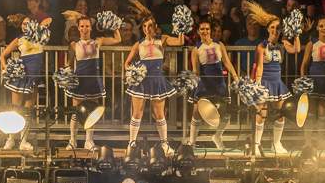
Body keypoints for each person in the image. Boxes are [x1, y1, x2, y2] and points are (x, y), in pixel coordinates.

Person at [244, 4, 302, 156]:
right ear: (268, 29)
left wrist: (296, 33)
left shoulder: (283, 45)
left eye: (278, 27)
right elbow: (260, 67)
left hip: (277, 84)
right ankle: (256, 145)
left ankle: (277, 143)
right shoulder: (262, 46)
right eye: (273, 27)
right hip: (264, 82)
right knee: (261, 115)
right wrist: (257, 85)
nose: (275, 30)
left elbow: (296, 49)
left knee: (281, 114)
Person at [124, 15, 184, 156]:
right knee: (137, 113)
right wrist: (132, 72)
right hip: (142, 82)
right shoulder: (138, 44)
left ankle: (164, 144)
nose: (147, 29)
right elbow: (126, 63)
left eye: (150, 26)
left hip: (157, 80)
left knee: (159, 114)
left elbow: (180, 42)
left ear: (155, 27)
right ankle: (131, 143)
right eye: (144, 26)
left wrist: (182, 27)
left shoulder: (162, 39)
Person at [63, 14, 120, 150]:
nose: (84, 29)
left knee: (92, 111)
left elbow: (118, 39)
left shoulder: (98, 41)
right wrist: (65, 76)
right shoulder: (73, 45)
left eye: (87, 26)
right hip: (79, 81)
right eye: (82, 26)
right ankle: (72, 141)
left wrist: (114, 25)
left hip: (93, 80)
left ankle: (89, 141)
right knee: (76, 112)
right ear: (78, 27)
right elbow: (69, 64)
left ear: (91, 27)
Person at [0, 16, 53, 152]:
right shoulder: (19, 39)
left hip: (34, 77)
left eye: (28, 23)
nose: (25, 26)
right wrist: (6, 69)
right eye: (23, 24)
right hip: (21, 77)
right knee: (15, 109)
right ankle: (11, 139)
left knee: (28, 111)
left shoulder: (41, 37)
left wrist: (40, 25)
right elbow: (3, 55)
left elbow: (49, 19)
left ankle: (23, 141)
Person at [186, 20, 239, 151]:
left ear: (210, 30)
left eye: (207, 29)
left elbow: (227, 62)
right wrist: (193, 79)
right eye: (202, 29)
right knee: (196, 113)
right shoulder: (196, 49)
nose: (205, 32)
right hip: (204, 83)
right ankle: (192, 142)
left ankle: (217, 136)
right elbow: (195, 70)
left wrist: (236, 76)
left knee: (226, 113)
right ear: (198, 31)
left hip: (219, 82)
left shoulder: (219, 45)